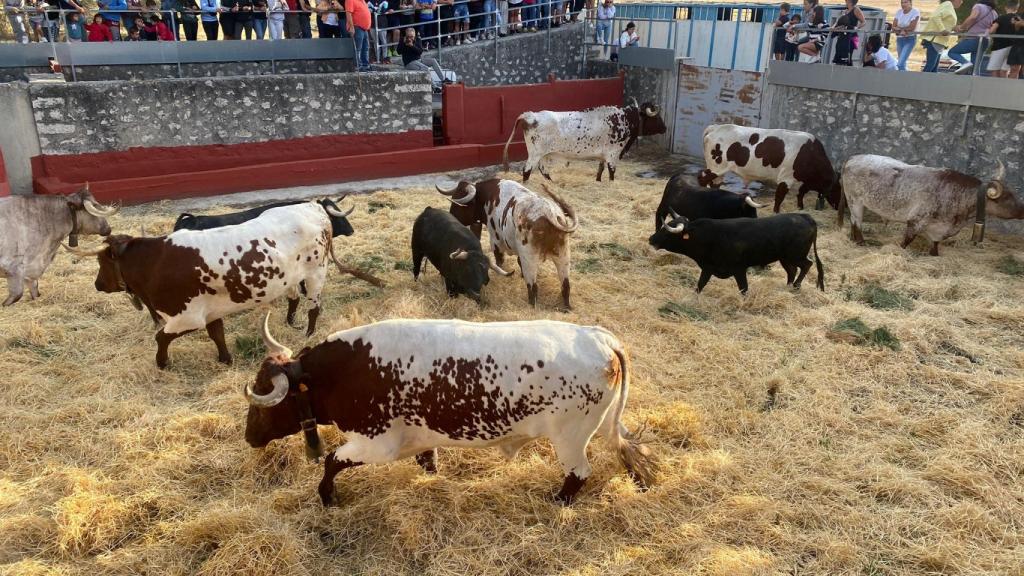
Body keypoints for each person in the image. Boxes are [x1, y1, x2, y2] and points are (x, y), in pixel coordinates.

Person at [948, 0, 998, 74]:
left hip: (974, 39)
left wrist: (961, 27)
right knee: (975, 68)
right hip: (985, 40)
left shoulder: (978, 6)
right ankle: (976, 83)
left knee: (952, 52)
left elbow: (973, 17)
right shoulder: (994, 13)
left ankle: (965, 63)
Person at [920, 0, 960, 71]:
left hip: (940, 42)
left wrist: (954, 28)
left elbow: (946, 23)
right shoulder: (947, 4)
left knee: (934, 68)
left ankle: (929, 81)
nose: (962, 2)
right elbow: (935, 17)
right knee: (930, 66)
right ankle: (920, 81)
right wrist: (942, 29)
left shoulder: (950, 7)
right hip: (935, 40)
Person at [986, 0, 1020, 78]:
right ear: (1017, 9)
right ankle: (1004, 88)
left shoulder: (1001, 17)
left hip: (999, 46)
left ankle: (996, 87)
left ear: (1006, 7)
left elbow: (992, 30)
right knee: (1004, 70)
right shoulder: (1019, 19)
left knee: (994, 69)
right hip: (1013, 47)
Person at [831, 0, 865, 66]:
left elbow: (863, 22)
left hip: (851, 36)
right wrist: (833, 28)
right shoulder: (845, 10)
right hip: (843, 36)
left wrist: (856, 28)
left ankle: (848, 70)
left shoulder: (856, 10)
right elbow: (839, 22)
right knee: (840, 54)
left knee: (848, 55)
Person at [891, 0, 920, 70]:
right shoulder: (899, 12)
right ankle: (904, 79)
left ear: (910, 3)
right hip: (899, 39)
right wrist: (903, 30)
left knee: (900, 64)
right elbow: (893, 26)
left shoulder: (915, 11)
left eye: (906, 2)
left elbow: (912, 27)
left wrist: (899, 29)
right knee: (902, 64)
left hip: (910, 39)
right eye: (902, 2)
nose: (903, 4)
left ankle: (907, 79)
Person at [347, 0, 371, 71]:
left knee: (365, 47)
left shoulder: (362, 1)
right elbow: (348, 14)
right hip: (357, 27)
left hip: (364, 28)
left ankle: (365, 65)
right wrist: (351, 27)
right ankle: (358, 66)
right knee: (358, 48)